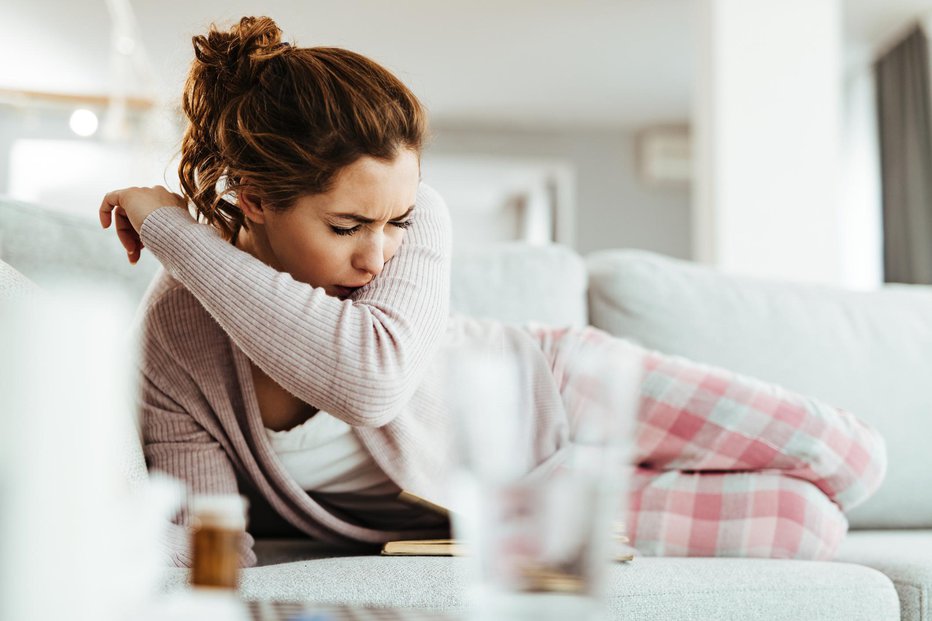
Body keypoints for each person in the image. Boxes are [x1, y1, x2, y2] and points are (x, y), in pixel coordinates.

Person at [99, 16, 886, 568]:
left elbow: (370, 379)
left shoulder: (422, 226)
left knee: (853, 455)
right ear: (255, 198)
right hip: (508, 507)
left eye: (395, 219)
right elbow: (205, 541)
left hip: (558, 386)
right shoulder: (175, 336)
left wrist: (178, 232)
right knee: (805, 524)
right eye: (346, 227)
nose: (379, 253)